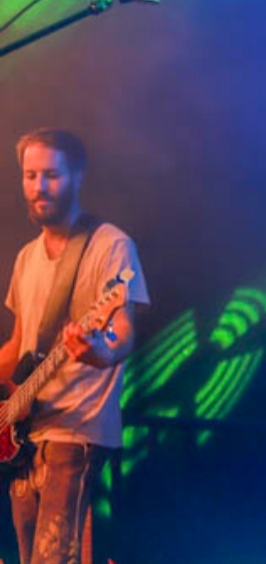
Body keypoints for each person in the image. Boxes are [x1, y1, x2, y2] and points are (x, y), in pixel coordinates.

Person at [0, 128, 150, 564]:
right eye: (30, 176)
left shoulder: (111, 245)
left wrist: (101, 352)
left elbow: (122, 329)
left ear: (77, 176)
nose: (39, 187)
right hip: (25, 436)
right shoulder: (26, 257)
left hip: (76, 431)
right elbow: (19, 346)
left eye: (51, 175)